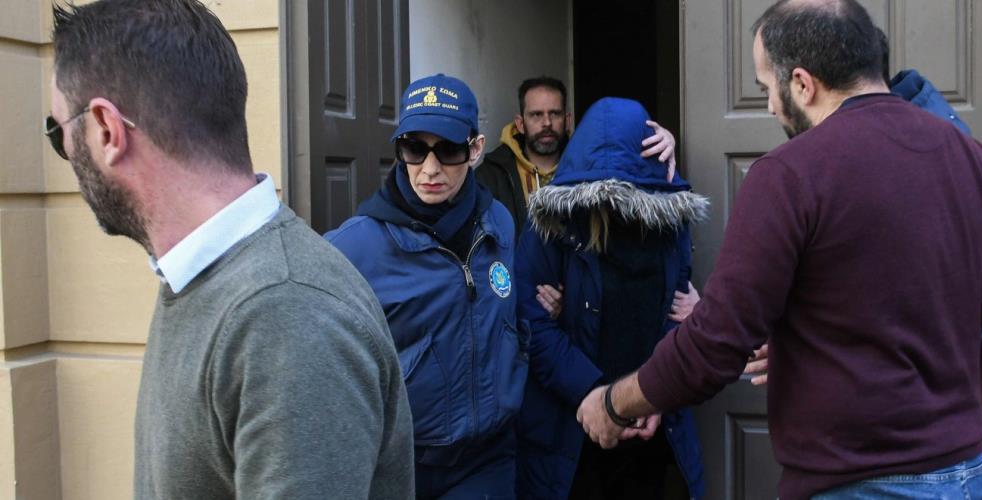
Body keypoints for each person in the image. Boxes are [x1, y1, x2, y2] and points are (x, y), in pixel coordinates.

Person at [575, 1, 982, 498]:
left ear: (803, 84)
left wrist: (614, 403)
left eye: (767, 87)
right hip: (963, 477)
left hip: (858, 487)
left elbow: (716, 342)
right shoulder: (976, 161)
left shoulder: (789, 174)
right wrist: (967, 411)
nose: (769, 105)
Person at [48, 1, 414, 498]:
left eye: (59, 133)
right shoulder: (200, 276)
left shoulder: (286, 315)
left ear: (107, 129)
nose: (67, 152)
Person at [325, 74, 527, 499]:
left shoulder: (500, 223)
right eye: (414, 149)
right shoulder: (356, 246)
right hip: (402, 464)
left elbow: (511, 316)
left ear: (475, 149)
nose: (429, 169)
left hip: (488, 458)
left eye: (448, 149)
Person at [514, 97, 710, 499]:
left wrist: (653, 394)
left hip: (651, 423)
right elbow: (529, 320)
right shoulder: (555, 222)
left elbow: (678, 312)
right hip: (574, 425)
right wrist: (596, 396)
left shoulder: (668, 219)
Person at [475, 76, 677, 240]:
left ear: (568, 120)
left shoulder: (592, 164)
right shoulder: (491, 175)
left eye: (555, 113)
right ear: (520, 124)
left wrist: (665, 140)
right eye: (536, 115)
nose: (547, 123)